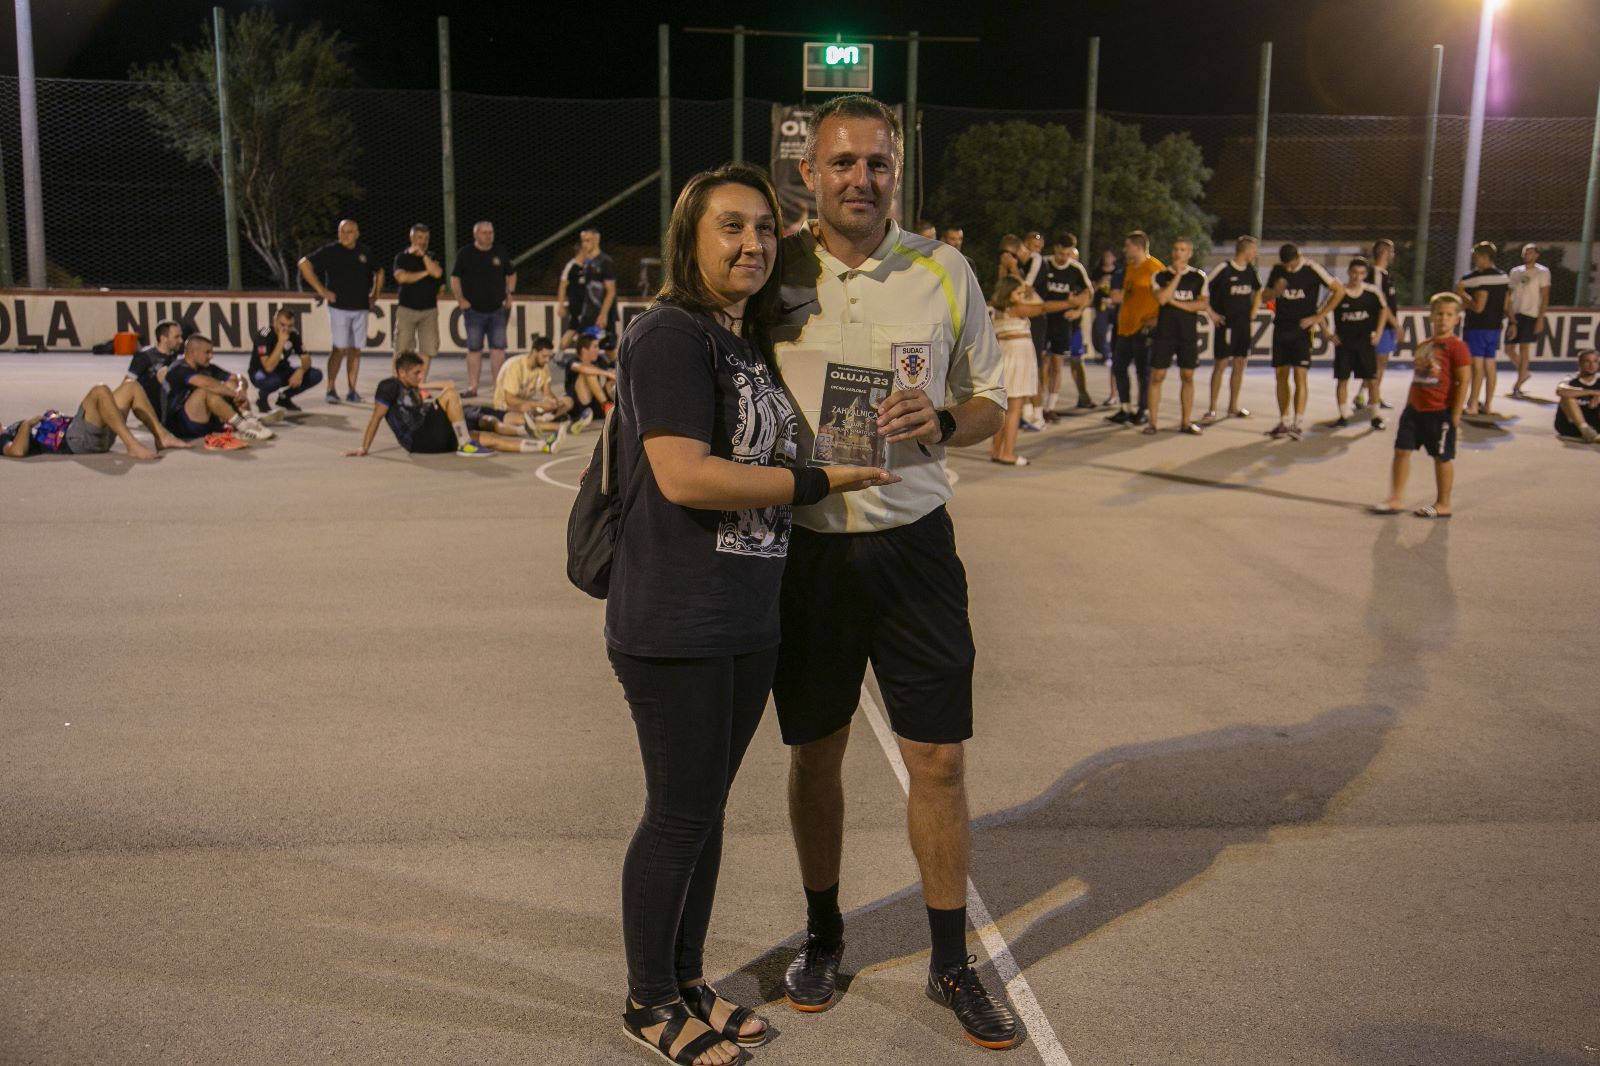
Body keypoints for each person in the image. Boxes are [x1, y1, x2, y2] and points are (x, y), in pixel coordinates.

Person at [607, 161, 894, 1066]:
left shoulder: (742, 341)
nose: (753, 243)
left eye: (766, 228)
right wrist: (820, 479)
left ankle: (688, 982)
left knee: (705, 811)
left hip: (745, 613)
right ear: (689, 238)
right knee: (678, 814)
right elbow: (685, 476)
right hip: (677, 616)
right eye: (730, 226)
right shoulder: (669, 334)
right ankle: (649, 1001)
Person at [770, 93, 1018, 1050]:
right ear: (809, 173)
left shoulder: (944, 270)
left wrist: (944, 421)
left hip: (915, 543)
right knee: (816, 753)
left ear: (897, 171)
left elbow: (991, 400)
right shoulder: (773, 269)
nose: (860, 180)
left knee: (940, 759)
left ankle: (950, 963)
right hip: (808, 550)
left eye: (877, 163)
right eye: (842, 162)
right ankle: (824, 935)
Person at [1371, 293, 1470, 519]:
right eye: (1439, 314)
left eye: (1449, 315)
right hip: (1415, 410)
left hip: (1439, 411)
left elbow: (1463, 381)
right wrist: (1409, 405)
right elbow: (1417, 377)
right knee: (1401, 451)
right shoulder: (1425, 345)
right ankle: (1396, 498)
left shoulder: (1457, 347)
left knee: (1441, 456)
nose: (1443, 319)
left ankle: (1443, 503)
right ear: (1431, 316)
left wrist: (1455, 414)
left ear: (1457, 319)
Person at [348, 351, 540, 457]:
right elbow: (376, 418)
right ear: (402, 372)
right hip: (418, 438)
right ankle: (465, 444)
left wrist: (421, 384)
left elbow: (449, 384)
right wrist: (364, 448)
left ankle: (540, 446)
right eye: (416, 373)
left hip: (432, 437)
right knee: (449, 396)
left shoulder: (413, 387)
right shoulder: (388, 387)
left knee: (487, 438)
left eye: (421, 372)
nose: (421, 376)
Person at [988, 276, 1078, 463]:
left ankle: (996, 451)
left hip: (1005, 356)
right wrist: (1069, 303)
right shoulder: (1016, 308)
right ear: (1008, 293)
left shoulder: (997, 310)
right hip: (1017, 358)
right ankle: (1008, 453)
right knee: (1014, 408)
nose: (1022, 296)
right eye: (1018, 293)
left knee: (1003, 408)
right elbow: (1043, 307)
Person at [298, 218, 382, 404]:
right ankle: (331, 388)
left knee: (355, 349)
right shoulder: (331, 251)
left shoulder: (365, 252)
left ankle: (352, 390)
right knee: (339, 348)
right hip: (339, 308)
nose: (345, 235)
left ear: (357, 234)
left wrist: (375, 295)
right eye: (342, 231)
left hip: (361, 308)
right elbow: (304, 264)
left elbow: (380, 271)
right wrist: (322, 290)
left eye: (350, 232)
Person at [1263, 243, 1343, 440]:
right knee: (1281, 375)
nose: (1288, 269)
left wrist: (1319, 316)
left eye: (1291, 264)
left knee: (1300, 374)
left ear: (1298, 257)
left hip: (1302, 330)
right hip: (1282, 328)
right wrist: (1275, 291)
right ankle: (1284, 421)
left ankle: (1297, 423)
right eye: (1286, 265)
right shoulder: (1278, 270)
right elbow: (1265, 296)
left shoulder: (1312, 269)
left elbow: (1338, 290)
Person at [2, 380, 191, 460]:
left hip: (86, 432)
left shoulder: (9, 428)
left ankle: (161, 437)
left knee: (130, 386)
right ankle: (132, 445)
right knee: (99, 391)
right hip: (75, 439)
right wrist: (27, 424)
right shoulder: (3, 437)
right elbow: (17, 451)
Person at [1148, 238, 1210, 435]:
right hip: (1165, 333)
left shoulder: (1198, 277)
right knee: (1157, 376)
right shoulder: (1160, 276)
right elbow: (1161, 298)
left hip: (1187, 334)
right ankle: (1152, 423)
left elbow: (1202, 305)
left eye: (1182, 250)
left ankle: (1186, 422)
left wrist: (1174, 302)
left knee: (1187, 376)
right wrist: (1177, 276)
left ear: (1189, 253)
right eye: (1175, 249)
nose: (1178, 253)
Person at [163, 334, 274, 442]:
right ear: (192, 352)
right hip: (182, 425)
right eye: (207, 352)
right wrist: (235, 394)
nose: (211, 356)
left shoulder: (208, 367)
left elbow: (239, 378)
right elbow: (206, 384)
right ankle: (244, 427)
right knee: (204, 392)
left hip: (206, 421)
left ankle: (250, 420)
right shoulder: (178, 368)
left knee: (232, 383)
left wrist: (241, 390)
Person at [450, 220, 516, 398]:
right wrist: (460, 299)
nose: (488, 236)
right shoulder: (466, 253)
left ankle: (498, 387)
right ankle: (473, 387)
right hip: (474, 311)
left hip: (497, 310)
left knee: (498, 349)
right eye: (484, 232)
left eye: (490, 232)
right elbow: (455, 277)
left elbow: (511, 274)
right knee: (474, 349)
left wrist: (509, 293)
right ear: (476, 234)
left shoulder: (500, 251)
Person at [1106, 230, 1164, 426]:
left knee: (1143, 371)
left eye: (1128, 246)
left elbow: (1165, 297)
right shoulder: (1129, 268)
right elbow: (1123, 296)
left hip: (1144, 327)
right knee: (1119, 367)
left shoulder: (1155, 268)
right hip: (1125, 327)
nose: (1125, 250)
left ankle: (1143, 409)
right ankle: (1125, 408)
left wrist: (1157, 318)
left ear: (1138, 247)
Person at [1330, 258, 1395, 429]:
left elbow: (1383, 310)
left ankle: (1375, 415)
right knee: (1342, 379)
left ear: (1365, 275)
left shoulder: (1372, 292)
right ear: (1348, 272)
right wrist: (1328, 333)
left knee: (1372, 380)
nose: (1357, 276)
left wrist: (1378, 333)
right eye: (1354, 272)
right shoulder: (1340, 291)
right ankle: (1343, 415)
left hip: (1365, 342)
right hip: (1344, 343)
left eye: (1361, 273)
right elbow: (1321, 311)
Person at [1203, 235, 1262, 421]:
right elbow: (1202, 287)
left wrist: (1254, 309)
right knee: (1221, 364)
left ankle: (1233, 406)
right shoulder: (1225, 268)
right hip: (1225, 325)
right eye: (1254, 250)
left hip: (1243, 326)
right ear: (1246, 251)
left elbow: (1259, 289)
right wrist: (1211, 313)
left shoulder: (1250, 270)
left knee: (1239, 363)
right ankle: (1212, 408)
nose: (1256, 254)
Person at [1035, 232, 1095, 412]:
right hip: (1043, 319)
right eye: (1061, 254)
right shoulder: (1043, 263)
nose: (1064, 258)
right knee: (1041, 363)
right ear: (1055, 249)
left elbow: (1089, 292)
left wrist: (1078, 311)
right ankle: (1038, 406)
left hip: (1062, 322)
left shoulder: (1076, 269)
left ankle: (1050, 407)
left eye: (1068, 254)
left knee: (1057, 363)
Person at [1456, 241, 1509, 417]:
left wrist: (1462, 294)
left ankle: (1472, 404)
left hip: (1477, 327)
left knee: (1476, 366)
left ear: (1484, 257)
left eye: (1476, 257)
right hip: (1494, 327)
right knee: (1490, 365)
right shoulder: (1503, 277)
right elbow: (1507, 303)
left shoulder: (1479, 279)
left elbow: (1478, 307)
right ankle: (1487, 405)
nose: (1475, 260)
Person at [493, 335, 572, 447]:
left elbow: (547, 392)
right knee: (525, 408)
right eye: (544, 356)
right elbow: (509, 400)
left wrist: (553, 402)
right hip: (506, 407)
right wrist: (540, 404)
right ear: (534, 352)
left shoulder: (543, 366)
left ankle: (540, 420)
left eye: (549, 357)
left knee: (567, 401)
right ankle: (558, 426)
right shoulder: (515, 366)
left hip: (529, 405)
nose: (547, 360)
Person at [391, 223, 443, 376]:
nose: (423, 242)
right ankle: (399, 383)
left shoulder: (432, 256)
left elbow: (437, 273)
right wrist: (425, 273)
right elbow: (402, 278)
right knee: (402, 349)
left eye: (426, 238)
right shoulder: (402, 257)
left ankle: (420, 383)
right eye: (420, 238)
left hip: (429, 310)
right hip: (407, 309)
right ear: (412, 238)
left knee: (428, 349)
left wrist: (424, 256)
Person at [249, 308, 324, 413]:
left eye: (290, 326)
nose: (286, 329)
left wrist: (301, 371)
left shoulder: (293, 334)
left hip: (282, 370)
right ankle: (262, 400)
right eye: (282, 325)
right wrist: (281, 342)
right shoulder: (264, 335)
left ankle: (284, 398)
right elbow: (268, 367)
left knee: (315, 374)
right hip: (261, 372)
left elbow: (306, 357)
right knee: (273, 381)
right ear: (275, 321)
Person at [1355, 238, 1399, 410]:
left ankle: (1366, 395)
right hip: (1379, 327)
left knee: (1378, 363)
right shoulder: (1377, 274)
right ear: (1384, 252)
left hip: (1385, 326)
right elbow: (1382, 304)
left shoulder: (1385, 275)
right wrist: (1396, 325)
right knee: (1378, 363)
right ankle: (1370, 397)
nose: (1393, 255)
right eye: (1391, 251)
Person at [1506, 242, 1551, 398]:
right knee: (1509, 349)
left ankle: (1518, 383)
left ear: (1536, 255)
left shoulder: (1542, 272)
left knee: (1524, 348)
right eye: (1525, 252)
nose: (1527, 255)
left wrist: (1540, 318)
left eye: (1531, 252)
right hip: (1515, 313)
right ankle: (1524, 372)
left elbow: (1544, 296)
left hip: (1530, 314)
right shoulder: (1515, 271)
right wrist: (1509, 313)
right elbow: (1509, 294)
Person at [557, 330, 616, 433]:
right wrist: (607, 373)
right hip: (578, 405)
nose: (598, 350)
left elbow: (612, 371)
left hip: (595, 406)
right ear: (584, 350)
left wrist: (613, 374)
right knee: (589, 373)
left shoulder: (599, 360)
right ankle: (606, 406)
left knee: (611, 382)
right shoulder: (572, 361)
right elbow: (583, 369)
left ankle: (617, 408)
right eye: (595, 347)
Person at [126, 318, 183, 413]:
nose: (181, 340)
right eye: (176, 337)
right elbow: (127, 385)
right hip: (150, 406)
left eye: (181, 336)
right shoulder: (144, 356)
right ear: (163, 338)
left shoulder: (178, 356)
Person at [1091, 248, 1123, 404]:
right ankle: (1114, 394)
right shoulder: (1097, 272)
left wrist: (1114, 300)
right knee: (1101, 332)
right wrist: (1100, 283)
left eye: (1110, 256)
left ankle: (1131, 401)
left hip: (1118, 311)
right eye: (1105, 256)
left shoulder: (1121, 272)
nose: (1107, 259)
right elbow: (1090, 289)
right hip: (1102, 307)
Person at [577, 227, 619, 341]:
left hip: (601, 313)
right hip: (587, 313)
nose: (584, 244)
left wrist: (603, 314)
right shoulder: (584, 262)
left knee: (606, 345)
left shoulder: (605, 262)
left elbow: (611, 291)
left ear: (596, 240)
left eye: (588, 240)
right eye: (582, 241)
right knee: (585, 344)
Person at [1554, 348, 1600, 443]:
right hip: (1570, 427)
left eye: (1595, 361)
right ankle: (1586, 430)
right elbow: (1560, 391)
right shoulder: (1570, 379)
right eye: (1587, 361)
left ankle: (1592, 432)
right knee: (1568, 397)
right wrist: (1592, 392)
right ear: (1579, 364)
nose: (1592, 365)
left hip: (1595, 426)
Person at [556, 240, 588, 350]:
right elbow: (562, 286)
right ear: (581, 250)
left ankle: (583, 356)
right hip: (577, 306)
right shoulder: (571, 266)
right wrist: (560, 305)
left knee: (587, 334)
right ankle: (558, 356)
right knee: (573, 329)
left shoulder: (588, 266)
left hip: (588, 306)